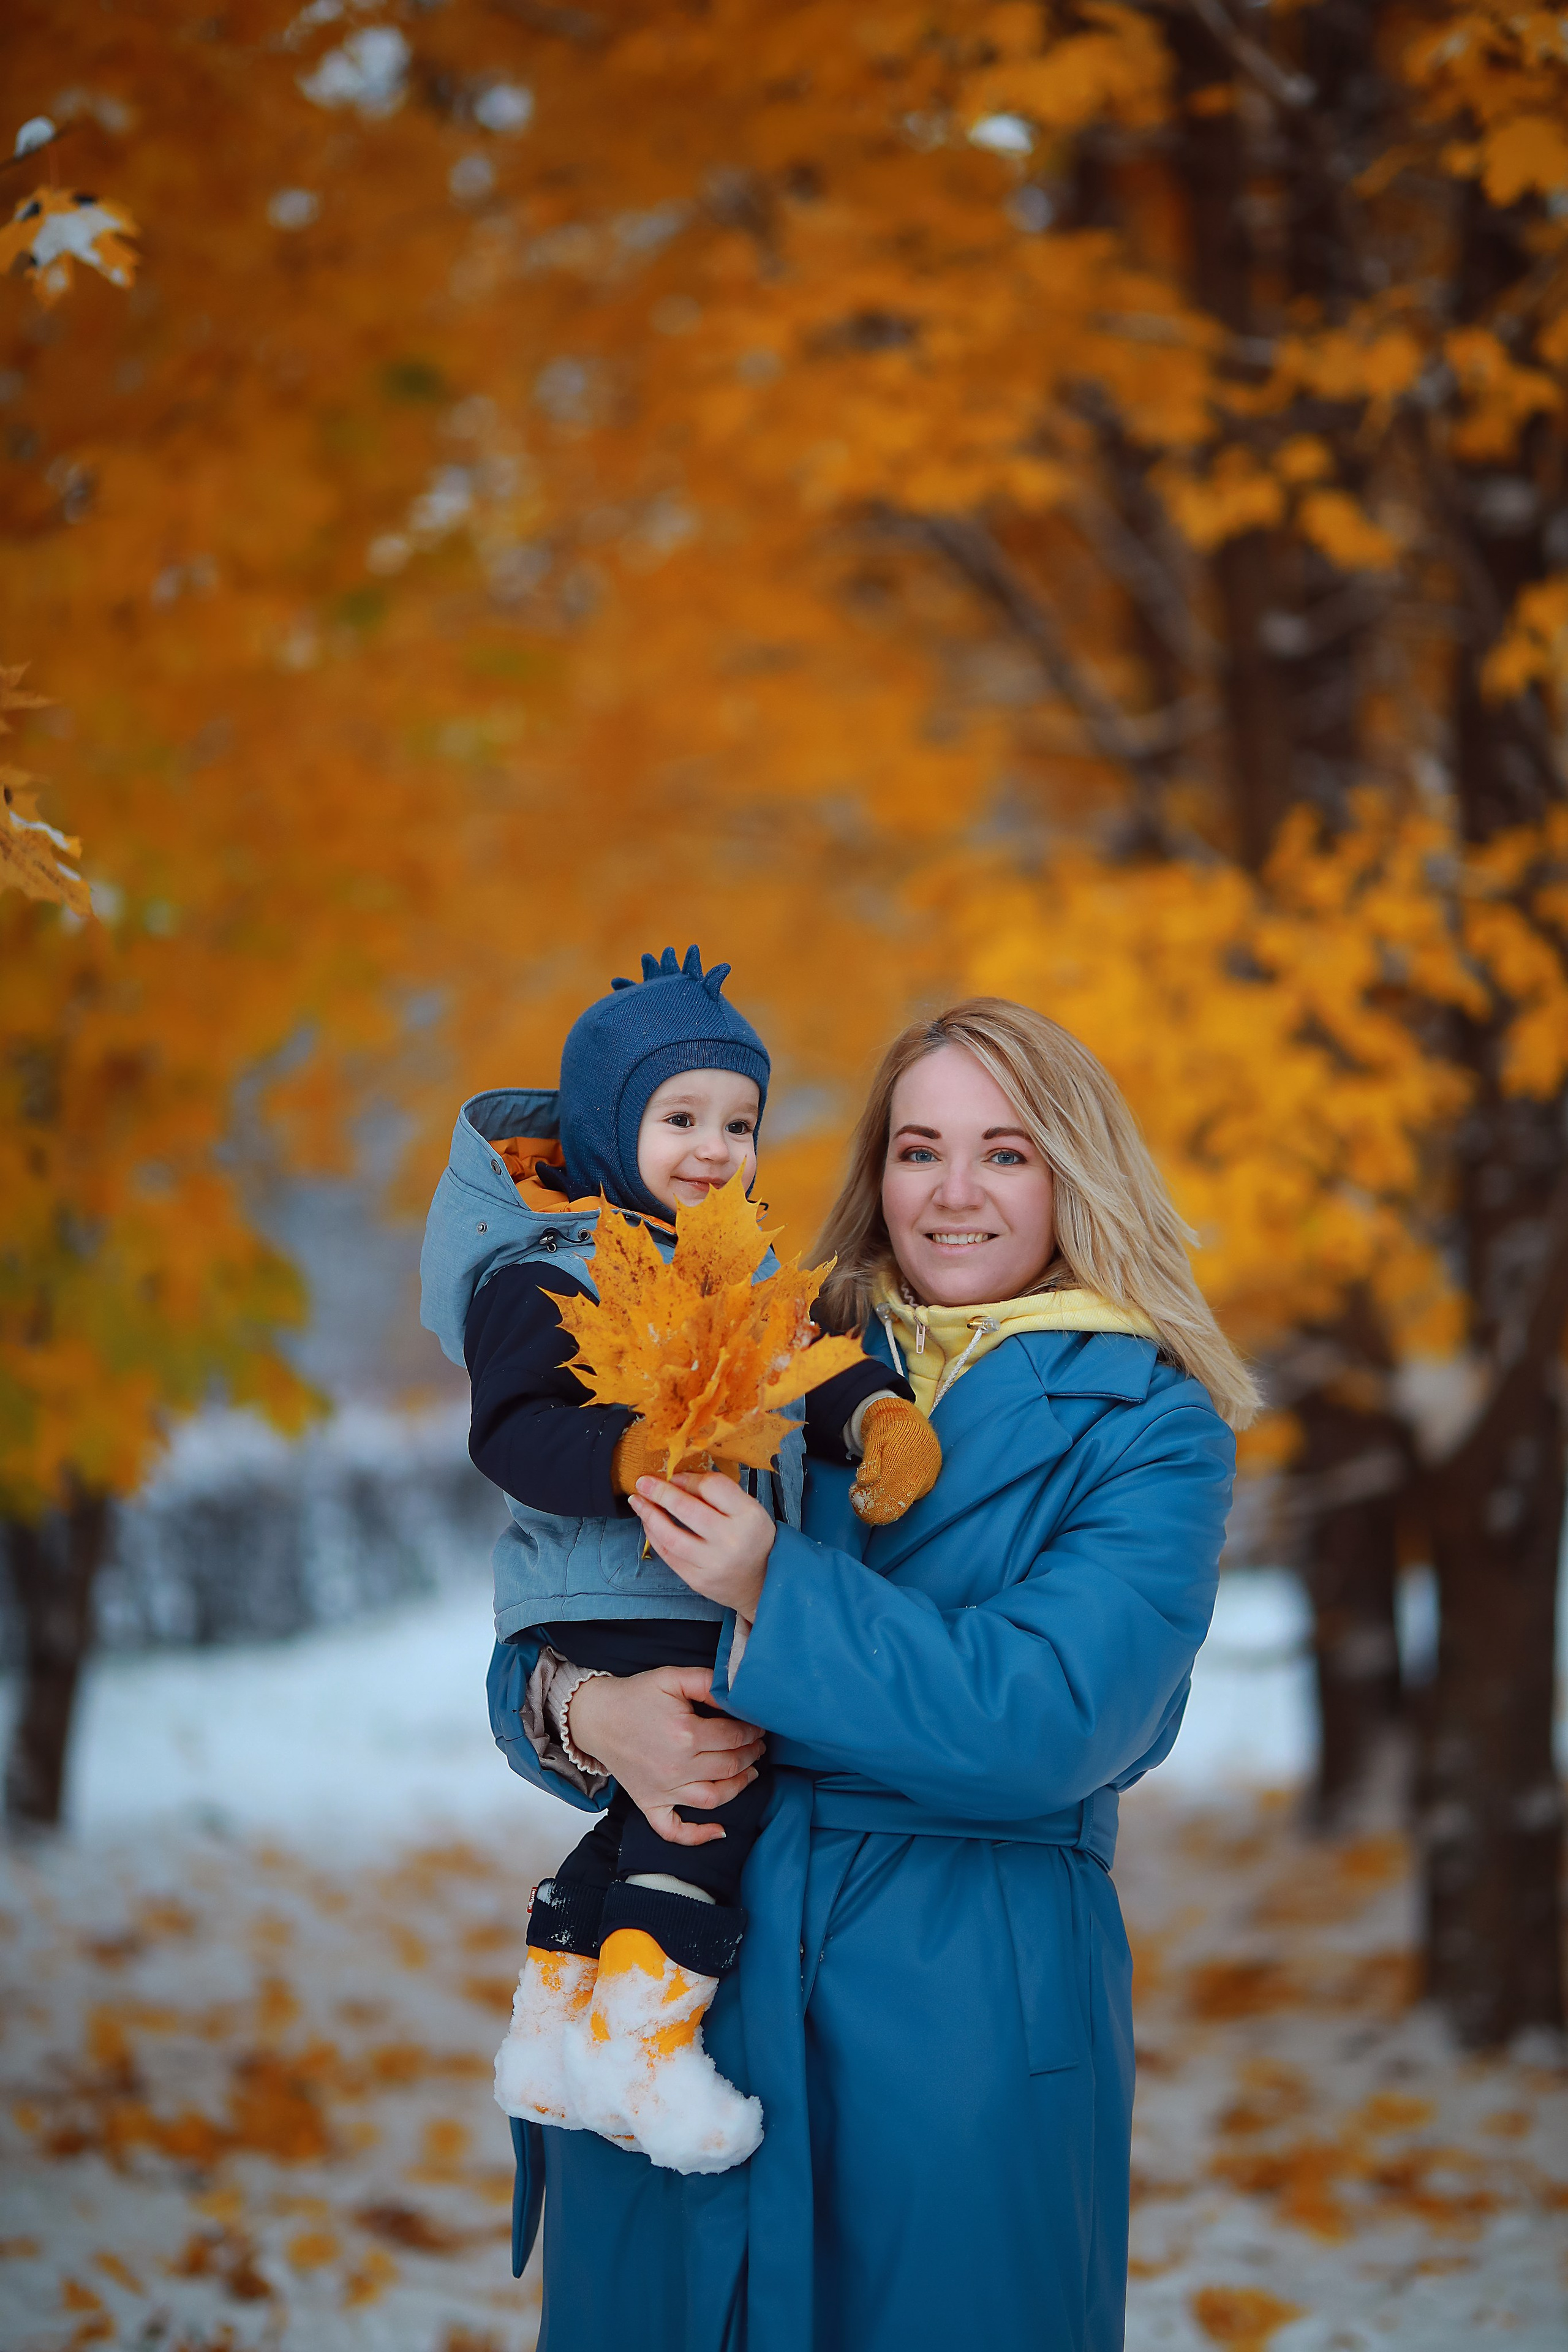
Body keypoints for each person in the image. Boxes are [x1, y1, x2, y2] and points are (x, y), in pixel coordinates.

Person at [486, 993, 1257, 2352]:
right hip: (683, 1994)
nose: (953, 1194)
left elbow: (1055, 1716)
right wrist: (587, 1712)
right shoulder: (755, 1334)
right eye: (917, 1150)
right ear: (873, 1169)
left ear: (1072, 1171)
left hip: (959, 2006)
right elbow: (564, 1611)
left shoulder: (1153, 1423)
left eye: (1004, 1152)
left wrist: (772, 1591)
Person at [420, 946, 939, 2177]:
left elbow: (809, 1367)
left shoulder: (739, 1270)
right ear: (609, 1127)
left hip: (688, 1587)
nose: (713, 1147)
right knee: (707, 1804)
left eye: (738, 1122)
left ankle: (554, 2026)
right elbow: (513, 1431)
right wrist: (628, 1447)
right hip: (608, 1596)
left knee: (649, 1815)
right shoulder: (543, 1275)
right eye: (678, 1118)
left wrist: (875, 1417)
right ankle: (645, 2054)